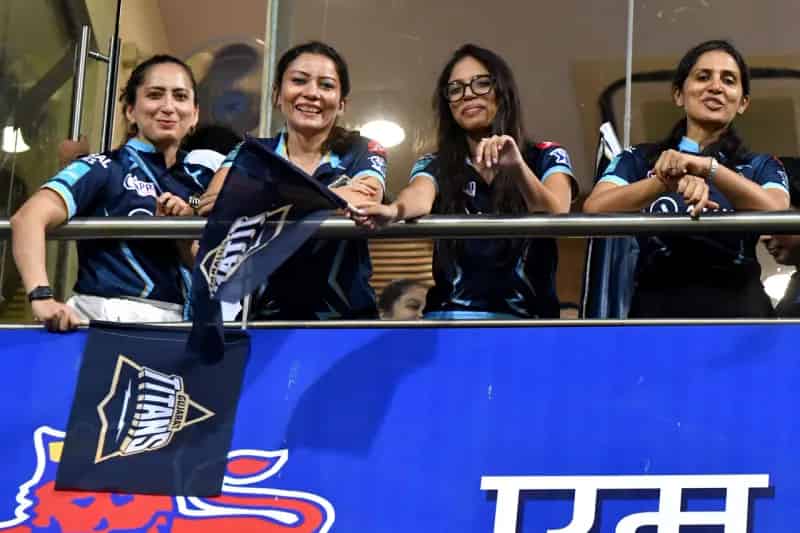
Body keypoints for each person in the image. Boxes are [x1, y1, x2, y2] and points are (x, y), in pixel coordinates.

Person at [353, 44, 576, 319]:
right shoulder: (435, 163)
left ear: (503, 92)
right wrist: (394, 211)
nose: (468, 94)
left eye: (481, 83)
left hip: (530, 322)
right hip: (450, 320)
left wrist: (517, 167)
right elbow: (419, 195)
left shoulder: (546, 155)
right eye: (456, 89)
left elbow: (557, 213)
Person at [584, 40, 790, 318]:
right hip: (657, 313)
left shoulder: (760, 165)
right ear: (678, 94)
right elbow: (594, 208)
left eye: (728, 80)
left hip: (741, 315)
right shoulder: (639, 158)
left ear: (743, 103)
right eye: (703, 77)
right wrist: (663, 183)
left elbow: (777, 210)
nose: (715, 87)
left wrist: (709, 168)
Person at [11, 54, 217, 331]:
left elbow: (212, 271)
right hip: (107, 319)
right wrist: (41, 296)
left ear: (195, 114)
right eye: (155, 95)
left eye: (180, 96)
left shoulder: (202, 181)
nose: (168, 107)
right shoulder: (104, 167)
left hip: (180, 326)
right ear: (131, 110)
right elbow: (28, 217)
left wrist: (181, 237)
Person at [199, 41, 387, 320]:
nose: (311, 93)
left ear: (342, 103)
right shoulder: (250, 152)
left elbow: (366, 202)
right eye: (299, 81)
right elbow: (215, 206)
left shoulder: (363, 149)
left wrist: (260, 199)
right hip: (263, 320)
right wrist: (333, 198)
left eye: (326, 85)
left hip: (347, 321)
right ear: (277, 95)